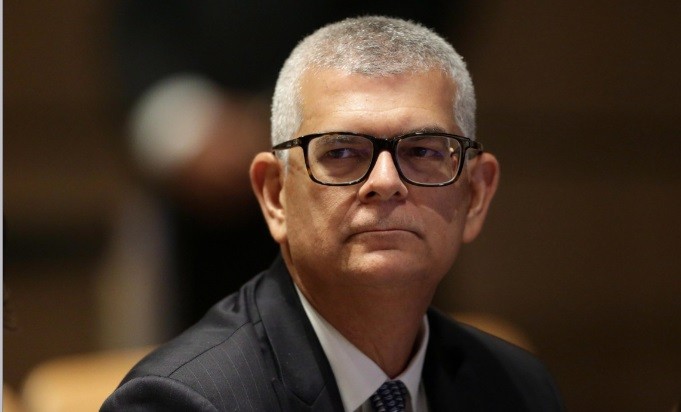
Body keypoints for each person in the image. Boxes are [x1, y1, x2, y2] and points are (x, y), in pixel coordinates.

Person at [102, 16, 564, 411]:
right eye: (342, 152)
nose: (386, 181)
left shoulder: (519, 389)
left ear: (476, 195)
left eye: (423, 151)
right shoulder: (181, 402)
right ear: (275, 195)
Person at [113, 1, 467, 331]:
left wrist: (295, 120)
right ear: (267, 188)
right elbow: (146, 25)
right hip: (205, 221)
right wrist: (182, 125)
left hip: (365, 114)